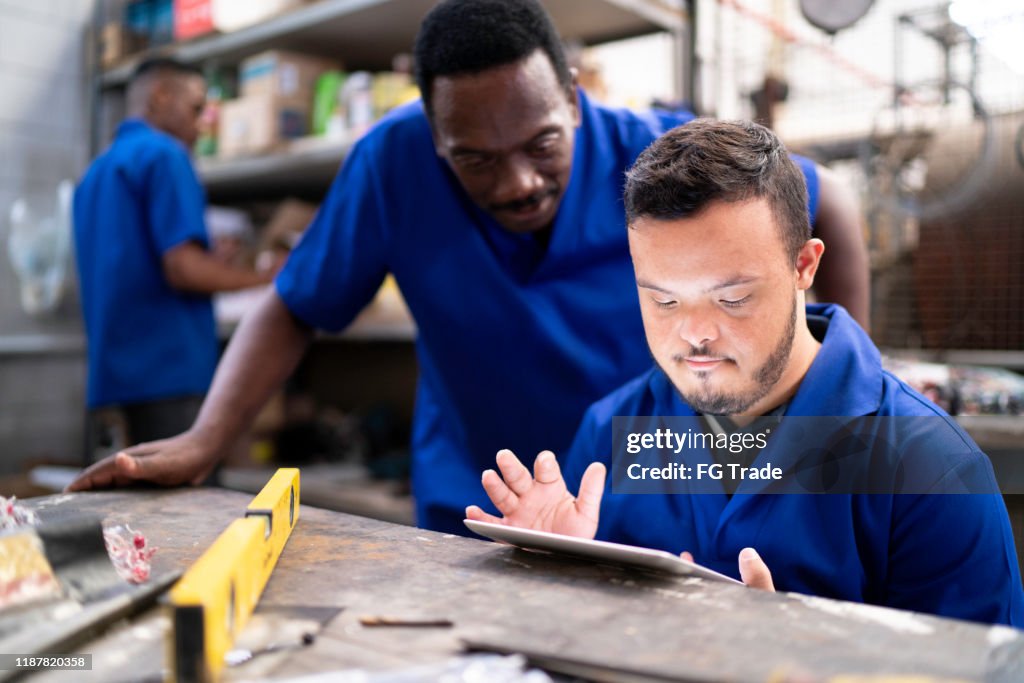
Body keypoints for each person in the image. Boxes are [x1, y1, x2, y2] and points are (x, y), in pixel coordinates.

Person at [68, 0, 869, 535]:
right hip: (473, 502)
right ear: (433, 133)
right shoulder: (393, 164)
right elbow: (294, 304)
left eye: (543, 145)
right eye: (475, 160)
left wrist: (839, 392)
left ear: (574, 97)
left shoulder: (653, 157)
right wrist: (211, 437)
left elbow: (829, 203)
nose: (517, 182)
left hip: (640, 498)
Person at [465, 118, 1024, 626]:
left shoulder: (927, 467)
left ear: (804, 265)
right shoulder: (615, 431)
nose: (695, 335)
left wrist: (804, 664)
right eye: (663, 302)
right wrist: (551, 585)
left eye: (732, 299)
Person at [73, 58, 272, 446]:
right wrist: (268, 278)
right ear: (160, 97)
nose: (202, 124)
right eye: (197, 108)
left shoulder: (96, 173)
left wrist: (210, 261)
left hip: (115, 378)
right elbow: (183, 270)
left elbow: (132, 264)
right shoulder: (165, 154)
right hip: (170, 377)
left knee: (128, 504)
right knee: (187, 504)